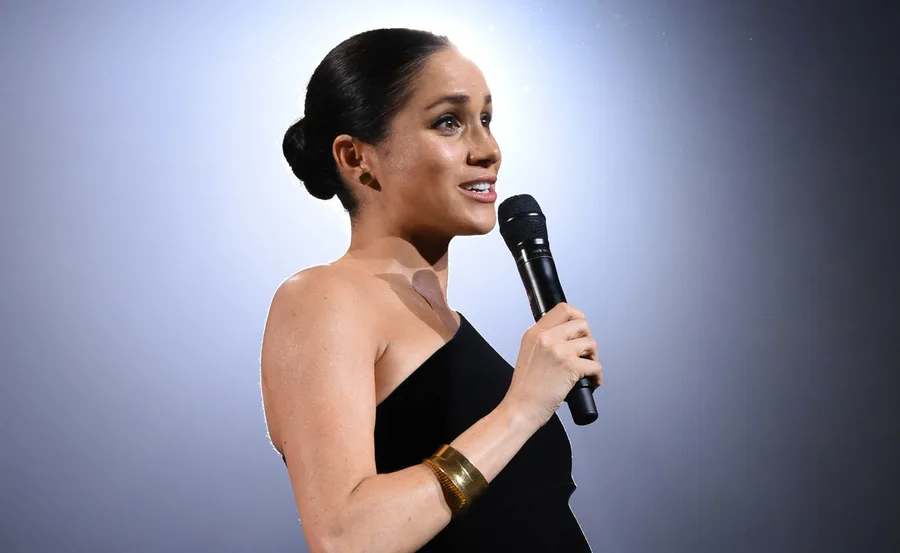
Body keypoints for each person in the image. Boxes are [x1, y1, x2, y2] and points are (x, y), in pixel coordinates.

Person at [260, 28, 603, 553]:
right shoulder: (321, 299)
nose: (488, 150)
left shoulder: (450, 324)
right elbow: (345, 537)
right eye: (449, 122)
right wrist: (522, 408)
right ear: (356, 158)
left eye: (486, 120)